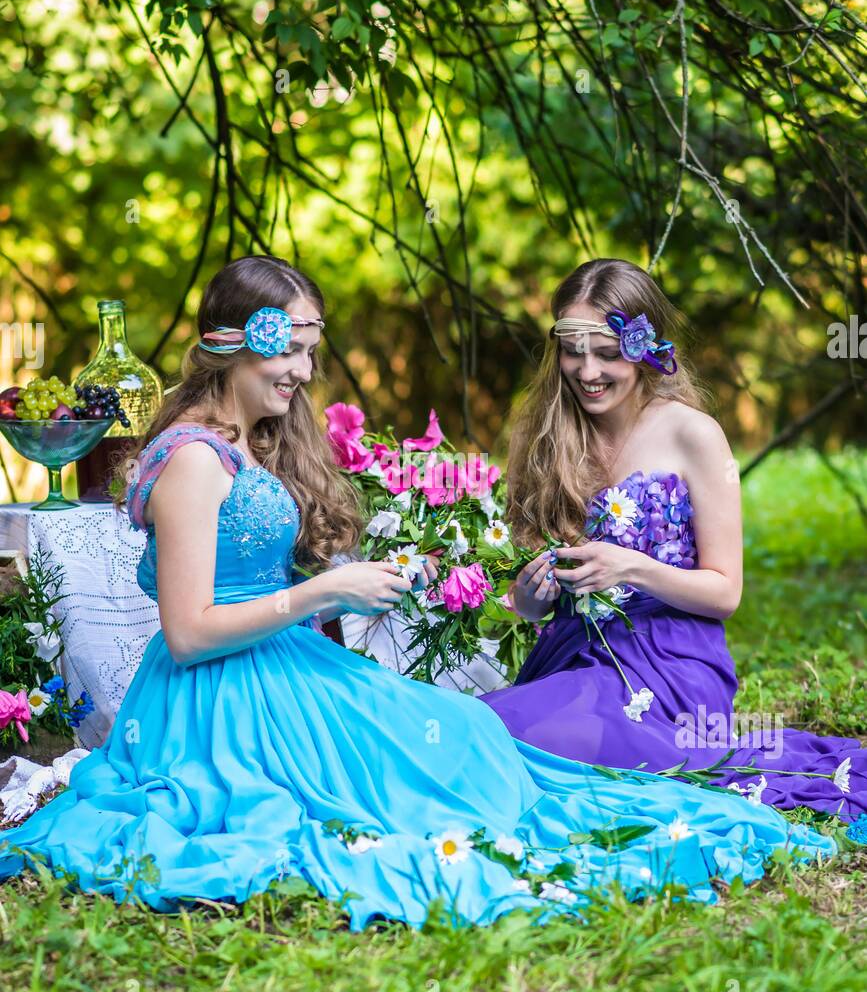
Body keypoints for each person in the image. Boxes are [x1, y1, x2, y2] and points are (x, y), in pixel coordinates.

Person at [0, 257, 835, 927]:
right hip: (225, 691)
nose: (301, 369)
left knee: (458, 737)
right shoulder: (196, 455)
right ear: (232, 342)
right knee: (444, 757)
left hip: (654, 663)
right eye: (287, 347)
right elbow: (188, 632)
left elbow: (722, 589)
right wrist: (327, 593)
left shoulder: (240, 442)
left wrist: (342, 590)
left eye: (308, 349)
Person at [480, 258, 863, 821]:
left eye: (607, 352)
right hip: (572, 654)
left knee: (512, 741)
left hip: (672, 667)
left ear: (644, 347)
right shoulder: (549, 437)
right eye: (573, 351)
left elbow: (725, 591)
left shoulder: (693, 434)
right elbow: (531, 595)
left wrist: (631, 568)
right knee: (482, 729)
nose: (587, 371)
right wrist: (533, 598)